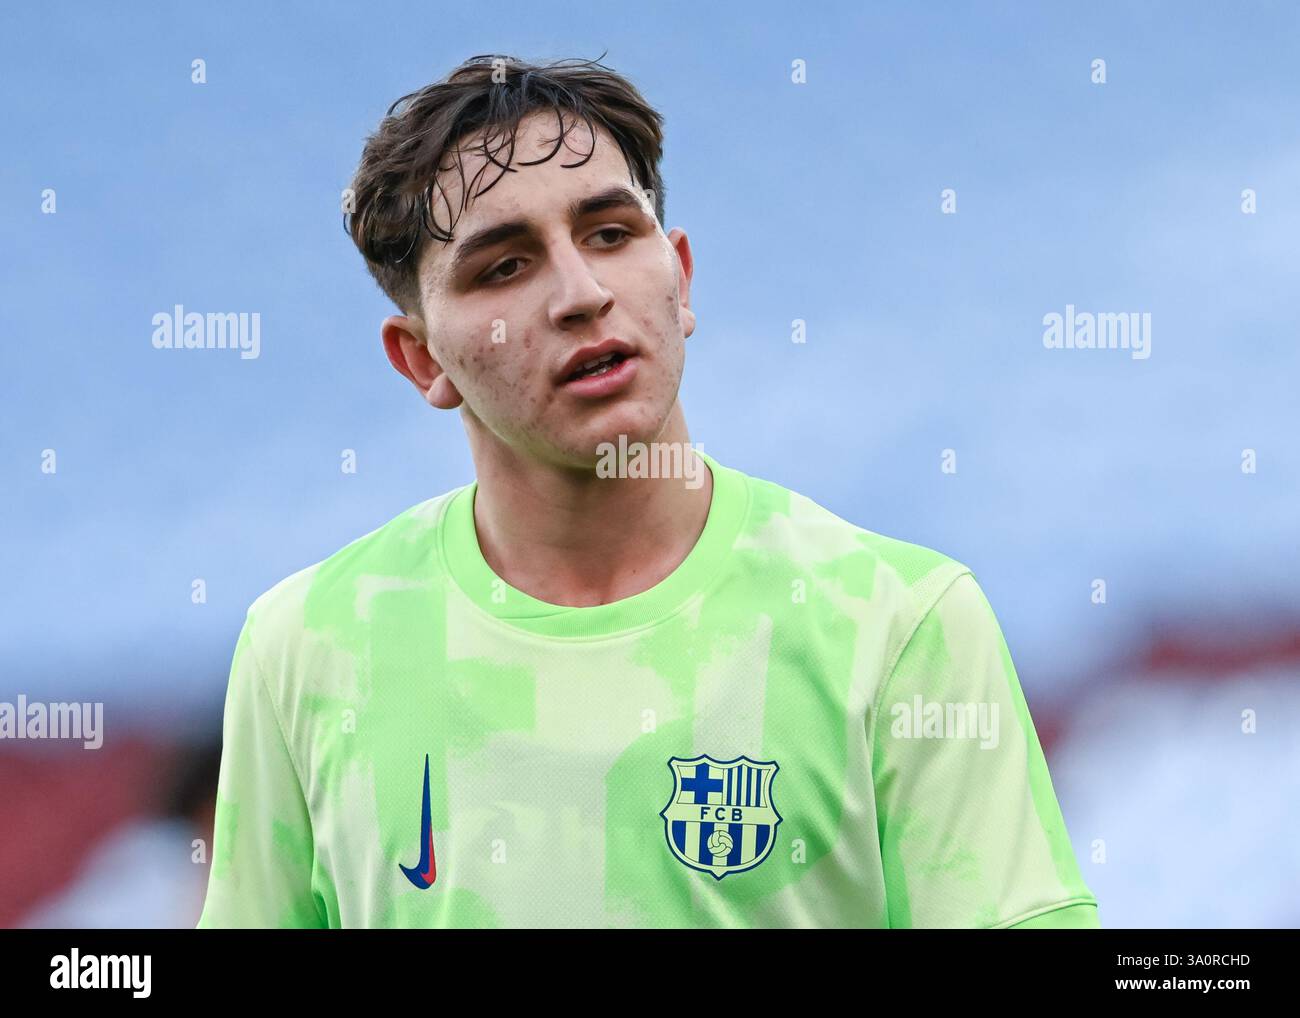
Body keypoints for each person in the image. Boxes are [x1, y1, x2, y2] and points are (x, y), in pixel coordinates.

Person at [197, 53, 1098, 928]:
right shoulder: (303, 649)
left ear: (682, 278)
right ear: (423, 358)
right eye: (504, 266)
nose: (582, 293)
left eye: (610, 234)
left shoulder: (904, 623)